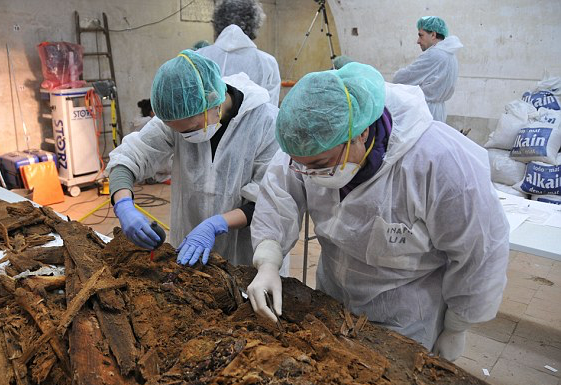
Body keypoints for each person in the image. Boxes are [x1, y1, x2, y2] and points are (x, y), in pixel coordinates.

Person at [247, 62, 509, 362]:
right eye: (301, 165)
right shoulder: (309, 145)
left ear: (361, 133)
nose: (309, 174)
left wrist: (457, 326)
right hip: (331, 303)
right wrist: (268, 260)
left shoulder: (440, 162)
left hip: (404, 319)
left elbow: (479, 252)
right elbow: (278, 198)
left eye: (320, 165)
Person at [106, 49, 280, 268]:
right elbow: (129, 157)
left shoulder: (265, 123)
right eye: (178, 131)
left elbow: (270, 201)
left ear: (213, 101)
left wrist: (216, 224)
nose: (186, 136)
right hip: (189, 249)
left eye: (192, 128)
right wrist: (124, 205)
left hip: (246, 254)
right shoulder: (177, 114)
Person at [197, 0, 281, 106]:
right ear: (254, 24)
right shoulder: (267, 63)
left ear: (217, 22)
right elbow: (270, 110)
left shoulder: (198, 57)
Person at [392, 16, 463, 123]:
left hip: (424, 112)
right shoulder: (451, 55)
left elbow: (401, 78)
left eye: (421, 35)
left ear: (433, 35)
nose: (418, 41)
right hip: (438, 112)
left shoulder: (434, 54)